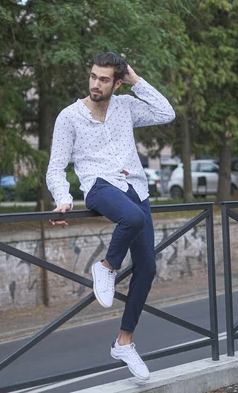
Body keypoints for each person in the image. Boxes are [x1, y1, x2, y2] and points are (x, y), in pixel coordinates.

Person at [46, 52, 175, 380]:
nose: (96, 84)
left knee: (147, 269)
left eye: (104, 79)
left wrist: (136, 80)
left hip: (136, 187)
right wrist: (63, 198)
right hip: (99, 185)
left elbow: (166, 112)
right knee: (132, 218)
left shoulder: (126, 106)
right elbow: (56, 167)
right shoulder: (70, 117)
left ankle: (124, 342)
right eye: (93, 77)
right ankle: (105, 268)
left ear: (117, 82)